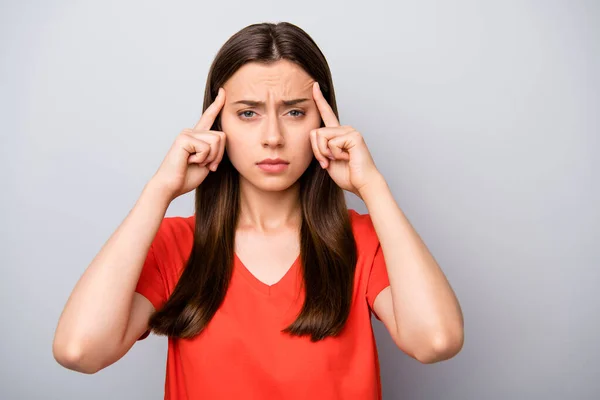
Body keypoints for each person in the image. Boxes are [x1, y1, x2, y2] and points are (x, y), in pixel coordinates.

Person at [52, 21, 464, 399]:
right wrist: (159, 190)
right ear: (217, 127)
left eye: (295, 112)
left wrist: (372, 186)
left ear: (323, 122)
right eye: (248, 113)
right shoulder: (175, 245)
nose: (272, 137)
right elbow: (79, 351)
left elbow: (436, 341)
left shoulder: (363, 240)